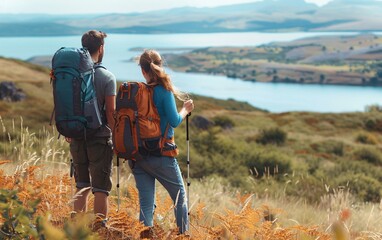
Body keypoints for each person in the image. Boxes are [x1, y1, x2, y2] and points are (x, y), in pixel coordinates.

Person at [130, 49, 194, 235]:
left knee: (146, 203)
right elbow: (174, 121)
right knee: (180, 198)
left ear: (143, 71)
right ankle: (183, 236)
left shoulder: (138, 92)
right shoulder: (164, 91)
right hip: (162, 155)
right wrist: (185, 110)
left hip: (138, 156)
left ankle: (145, 236)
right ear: (160, 66)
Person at [69, 30, 116, 224]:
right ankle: (99, 228)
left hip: (77, 136)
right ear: (101, 48)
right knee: (101, 188)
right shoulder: (107, 77)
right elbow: (111, 112)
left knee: (81, 184)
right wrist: (117, 137)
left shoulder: (73, 75)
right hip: (100, 138)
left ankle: (77, 227)